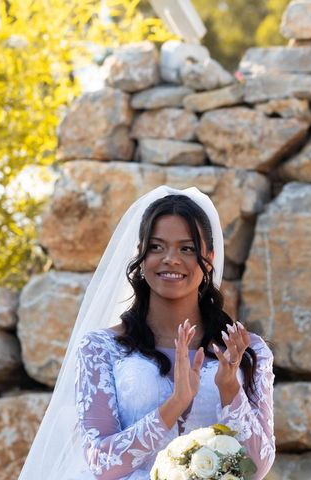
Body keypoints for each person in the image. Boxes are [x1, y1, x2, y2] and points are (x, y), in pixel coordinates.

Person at [19, 186, 275, 480]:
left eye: (187, 248)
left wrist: (230, 387)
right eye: (156, 247)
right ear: (140, 255)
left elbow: (257, 466)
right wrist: (175, 403)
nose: (170, 258)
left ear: (209, 257)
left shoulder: (246, 350)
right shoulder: (101, 348)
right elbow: (101, 462)